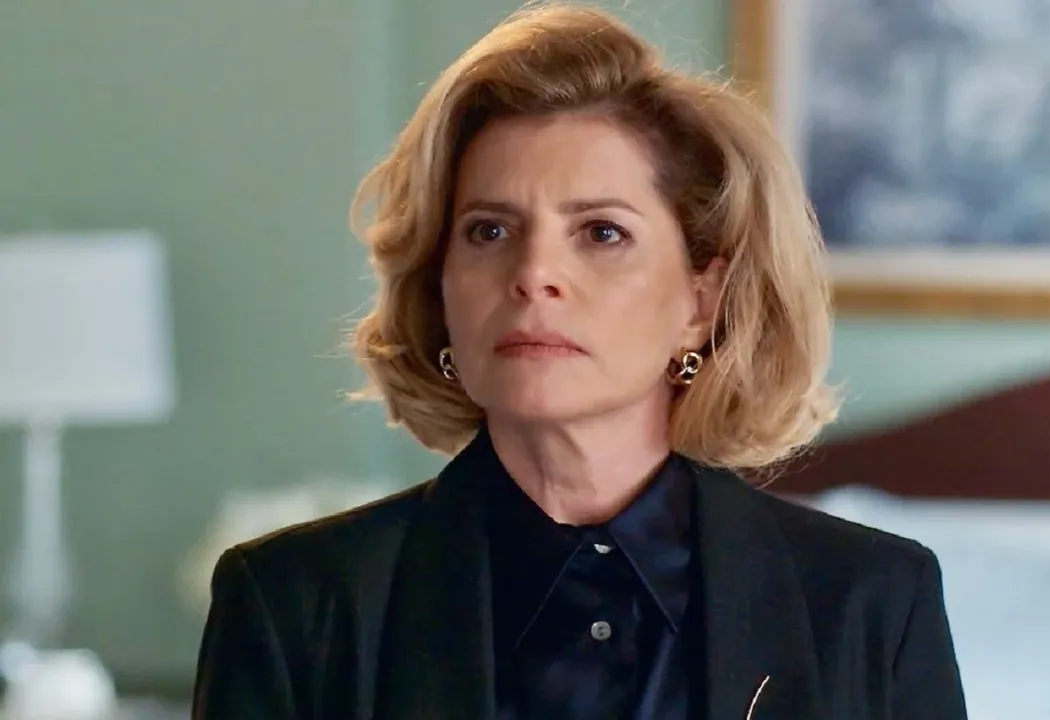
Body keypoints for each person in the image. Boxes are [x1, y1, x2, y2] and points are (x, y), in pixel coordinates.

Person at [191, 4, 967, 719]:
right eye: (490, 231)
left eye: (601, 233)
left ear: (700, 301)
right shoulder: (296, 602)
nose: (534, 274)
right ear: (440, 288)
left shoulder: (870, 601)